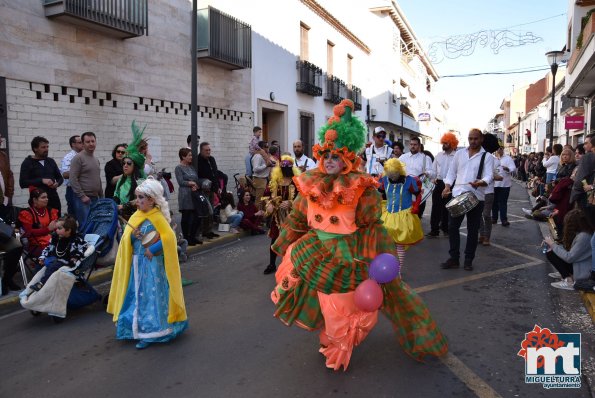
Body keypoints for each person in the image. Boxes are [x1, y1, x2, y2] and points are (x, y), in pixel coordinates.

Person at [269, 99, 447, 371]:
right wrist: (283, 244)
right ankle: (331, 338)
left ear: (347, 159)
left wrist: (381, 256)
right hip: (314, 249)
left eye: (336, 156)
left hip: (346, 255)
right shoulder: (311, 183)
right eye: (326, 155)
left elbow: (372, 227)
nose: (329, 161)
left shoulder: (360, 188)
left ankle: (341, 344)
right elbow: (298, 218)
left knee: (340, 305)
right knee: (321, 302)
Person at [107, 178, 188, 350]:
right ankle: (137, 328)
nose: (138, 201)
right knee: (136, 295)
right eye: (137, 197)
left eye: (141, 197)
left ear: (151, 199)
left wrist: (154, 248)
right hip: (137, 263)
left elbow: (169, 238)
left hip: (152, 265)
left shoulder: (157, 217)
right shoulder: (137, 216)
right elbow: (126, 240)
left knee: (151, 297)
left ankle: (152, 331)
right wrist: (132, 236)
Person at [441, 128, 494, 271]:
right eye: (470, 138)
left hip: (476, 197)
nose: (473, 141)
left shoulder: (487, 156)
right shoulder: (459, 154)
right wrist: (447, 187)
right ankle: (454, 258)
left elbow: (489, 176)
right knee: (452, 227)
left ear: (481, 139)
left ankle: (469, 259)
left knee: (472, 229)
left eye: (476, 138)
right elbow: (451, 173)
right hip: (458, 195)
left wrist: (480, 182)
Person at [379, 158, 423, 268]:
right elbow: (378, 193)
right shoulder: (384, 180)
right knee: (388, 245)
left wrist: (416, 206)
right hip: (388, 216)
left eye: (394, 174)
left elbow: (418, 194)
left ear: (399, 171)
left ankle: (398, 272)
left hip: (403, 217)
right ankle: (389, 268)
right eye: (389, 174)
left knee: (399, 245)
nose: (392, 176)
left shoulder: (409, 181)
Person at [262, 155, 300, 274]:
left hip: (292, 216)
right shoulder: (275, 181)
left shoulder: (297, 181)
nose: (285, 171)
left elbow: (303, 198)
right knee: (274, 240)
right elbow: (266, 195)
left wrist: (290, 203)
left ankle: (291, 266)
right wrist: (269, 204)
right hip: (277, 216)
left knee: (292, 241)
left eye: (288, 168)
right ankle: (272, 264)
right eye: (283, 168)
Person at [30, 216, 87, 292]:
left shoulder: (76, 239)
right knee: (39, 266)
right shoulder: (56, 238)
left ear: (68, 230)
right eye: (56, 228)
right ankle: (33, 286)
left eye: (59, 229)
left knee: (53, 266)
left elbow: (83, 247)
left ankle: (41, 284)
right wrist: (42, 257)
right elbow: (48, 247)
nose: (56, 231)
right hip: (55, 258)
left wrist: (75, 257)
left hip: (67, 262)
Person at [543, 209, 593, 290]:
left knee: (551, 253)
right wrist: (552, 245)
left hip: (584, 272)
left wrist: (552, 244)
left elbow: (569, 258)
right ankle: (565, 273)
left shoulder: (584, 236)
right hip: (580, 265)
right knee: (551, 251)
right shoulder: (583, 233)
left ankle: (569, 280)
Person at [19, 136, 63, 215]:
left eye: (47, 147)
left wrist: (57, 183)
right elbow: (22, 183)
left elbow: (60, 178)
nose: (46, 149)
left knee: (56, 222)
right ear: (35, 149)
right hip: (38, 201)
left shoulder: (51, 161)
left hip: (53, 198)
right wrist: (41, 180)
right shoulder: (28, 163)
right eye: (43, 147)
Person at [69, 132, 102, 228]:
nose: (91, 144)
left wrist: (101, 196)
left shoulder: (96, 160)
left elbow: (97, 178)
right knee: (86, 226)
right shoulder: (78, 158)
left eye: (93, 141)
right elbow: (73, 178)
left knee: (95, 225)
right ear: (83, 144)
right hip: (83, 199)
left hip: (95, 198)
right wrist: (82, 196)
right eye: (88, 142)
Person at [427, 132, 458, 237]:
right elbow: (433, 170)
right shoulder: (439, 156)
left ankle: (446, 229)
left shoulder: (457, 156)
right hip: (439, 183)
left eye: (446, 143)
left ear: (452, 143)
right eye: (443, 142)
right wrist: (431, 177)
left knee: (449, 207)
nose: (443, 144)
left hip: (452, 184)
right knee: (435, 207)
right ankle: (434, 230)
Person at [18, 188, 60, 257]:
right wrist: (47, 229)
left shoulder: (51, 211)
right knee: (54, 249)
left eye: (47, 197)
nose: (47, 199)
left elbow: (56, 228)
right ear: (34, 200)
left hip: (52, 239)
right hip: (35, 244)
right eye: (43, 197)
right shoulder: (27, 213)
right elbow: (29, 232)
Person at [399, 136, 435, 218]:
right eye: (411, 144)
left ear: (419, 146)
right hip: (405, 188)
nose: (412, 146)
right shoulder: (402, 157)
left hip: (419, 190)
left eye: (415, 144)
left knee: (417, 214)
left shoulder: (426, 158)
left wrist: (427, 173)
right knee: (405, 213)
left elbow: (433, 173)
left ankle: (416, 228)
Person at [174, 148, 202, 246]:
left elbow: (196, 178)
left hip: (194, 194)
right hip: (185, 195)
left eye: (191, 155)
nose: (191, 157)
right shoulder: (178, 168)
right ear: (183, 156)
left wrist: (196, 185)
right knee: (186, 217)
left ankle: (192, 236)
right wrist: (191, 183)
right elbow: (180, 182)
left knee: (198, 216)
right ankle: (186, 238)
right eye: (189, 155)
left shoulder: (191, 167)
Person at [478, 135, 501, 246]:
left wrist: (489, 175)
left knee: (486, 215)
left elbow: (500, 177)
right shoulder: (476, 157)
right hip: (477, 191)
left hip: (488, 191)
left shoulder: (494, 160)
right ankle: (481, 234)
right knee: (478, 215)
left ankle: (487, 237)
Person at [492, 146, 516, 227]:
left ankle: (504, 220)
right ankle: (494, 218)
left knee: (503, 203)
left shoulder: (508, 158)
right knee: (494, 203)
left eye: (500, 148)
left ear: (502, 149)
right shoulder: (492, 158)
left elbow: (513, 168)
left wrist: (507, 168)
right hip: (494, 185)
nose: (499, 150)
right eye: (497, 148)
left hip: (505, 185)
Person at [113, 154, 142, 220]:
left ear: (134, 166)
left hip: (135, 217)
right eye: (123, 163)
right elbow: (116, 194)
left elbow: (141, 199)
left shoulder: (140, 182)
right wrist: (115, 203)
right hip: (122, 216)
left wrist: (124, 206)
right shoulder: (121, 180)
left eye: (129, 163)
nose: (125, 165)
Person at [60, 135, 83, 216]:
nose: (83, 144)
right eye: (80, 142)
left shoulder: (86, 156)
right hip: (73, 190)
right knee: (74, 215)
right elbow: (65, 174)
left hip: (85, 189)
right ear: (73, 144)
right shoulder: (68, 157)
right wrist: (82, 171)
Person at [251, 141, 273, 209]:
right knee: (259, 200)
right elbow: (255, 169)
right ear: (262, 148)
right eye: (266, 147)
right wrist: (266, 165)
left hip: (263, 179)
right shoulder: (258, 156)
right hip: (259, 179)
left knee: (262, 199)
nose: (268, 148)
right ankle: (257, 216)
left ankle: (261, 214)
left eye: (268, 146)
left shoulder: (263, 155)